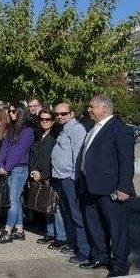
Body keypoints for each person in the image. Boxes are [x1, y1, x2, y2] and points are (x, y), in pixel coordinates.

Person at [79, 94, 135, 276]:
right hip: (91, 187)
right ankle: (101, 257)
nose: (88, 110)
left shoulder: (119, 129)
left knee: (117, 229)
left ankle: (120, 265)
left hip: (112, 189)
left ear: (104, 108)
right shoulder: (93, 127)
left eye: (91, 106)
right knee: (96, 226)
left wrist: (124, 188)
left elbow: (126, 161)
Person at [50, 103, 90, 263]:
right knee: (68, 214)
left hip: (69, 179)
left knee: (77, 215)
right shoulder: (64, 129)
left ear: (72, 113)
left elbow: (79, 157)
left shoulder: (77, 130)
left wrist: (75, 178)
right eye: (57, 114)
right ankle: (73, 244)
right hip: (60, 177)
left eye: (63, 113)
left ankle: (84, 250)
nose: (60, 116)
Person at [0, 103, 35, 243]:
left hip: (19, 168)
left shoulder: (28, 130)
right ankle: (20, 229)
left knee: (13, 199)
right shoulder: (11, 129)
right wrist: (0, 165)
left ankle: (8, 230)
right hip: (9, 168)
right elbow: (4, 147)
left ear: (20, 112)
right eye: (9, 111)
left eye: (13, 111)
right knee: (15, 199)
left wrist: (7, 166)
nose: (10, 114)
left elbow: (19, 151)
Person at [29, 109, 66, 248]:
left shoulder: (56, 136)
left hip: (51, 176)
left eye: (48, 119)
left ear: (53, 120)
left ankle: (61, 237)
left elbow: (54, 159)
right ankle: (50, 233)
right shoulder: (38, 136)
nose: (44, 122)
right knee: (46, 206)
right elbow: (32, 155)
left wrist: (44, 174)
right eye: (42, 119)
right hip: (38, 175)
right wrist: (33, 170)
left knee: (55, 209)